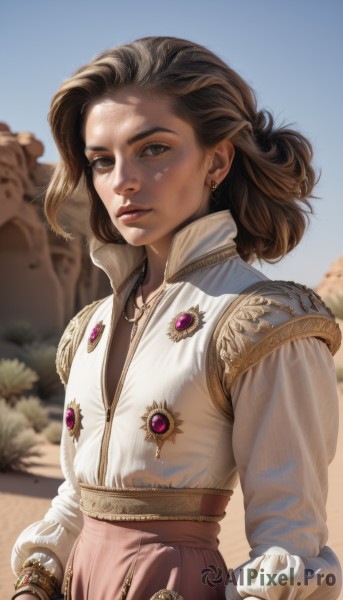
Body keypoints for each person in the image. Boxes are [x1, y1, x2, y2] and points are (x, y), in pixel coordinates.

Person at [11, 36, 342, 600]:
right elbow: (76, 491)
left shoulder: (263, 323)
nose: (123, 181)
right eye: (101, 161)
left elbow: (293, 544)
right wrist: (35, 581)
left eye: (154, 149)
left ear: (217, 159)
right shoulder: (90, 328)